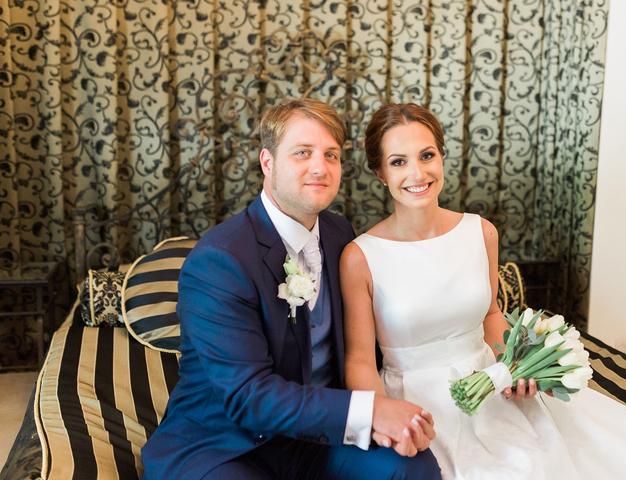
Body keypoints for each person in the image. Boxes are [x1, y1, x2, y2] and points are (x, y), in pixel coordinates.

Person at [340, 103, 626, 479]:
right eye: (399, 161)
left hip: (491, 384)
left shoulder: (480, 232)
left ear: (441, 156)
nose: (418, 173)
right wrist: (383, 418)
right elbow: (360, 359)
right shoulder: (361, 256)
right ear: (380, 172)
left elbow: (491, 315)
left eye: (427, 156)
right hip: (416, 401)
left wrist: (515, 364)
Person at [141, 99, 441, 479]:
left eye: (331, 155)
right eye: (302, 152)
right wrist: (371, 411)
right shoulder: (219, 260)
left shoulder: (340, 235)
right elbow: (248, 397)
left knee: (412, 468)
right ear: (267, 162)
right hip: (226, 444)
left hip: (319, 439)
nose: (320, 167)